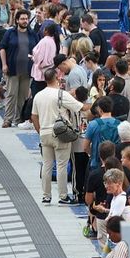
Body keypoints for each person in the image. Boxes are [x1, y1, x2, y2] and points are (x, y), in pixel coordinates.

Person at [32, 67, 85, 204]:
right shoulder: (61, 95)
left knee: (47, 165)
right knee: (62, 165)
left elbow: (34, 116)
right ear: (56, 78)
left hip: (44, 132)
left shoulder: (38, 95)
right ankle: (63, 196)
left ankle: (46, 195)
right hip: (60, 133)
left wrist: (40, 131)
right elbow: (80, 107)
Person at [0, 8, 38, 127]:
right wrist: (4, 64)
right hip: (12, 68)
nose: (25, 21)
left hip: (27, 69)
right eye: (22, 19)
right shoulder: (10, 33)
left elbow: (37, 50)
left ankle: (19, 118)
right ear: (17, 20)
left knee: (22, 96)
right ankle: (8, 119)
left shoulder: (33, 34)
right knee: (11, 94)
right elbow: (2, 48)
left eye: (26, 19)